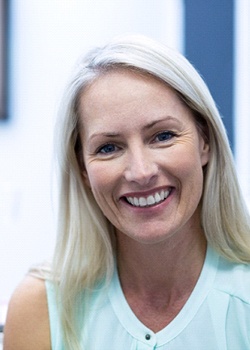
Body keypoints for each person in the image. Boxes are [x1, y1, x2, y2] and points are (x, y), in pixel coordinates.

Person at [3, 35, 250, 350]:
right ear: (82, 169)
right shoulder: (41, 307)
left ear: (205, 141)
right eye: (108, 147)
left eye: (162, 136)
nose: (141, 171)